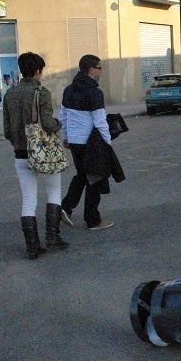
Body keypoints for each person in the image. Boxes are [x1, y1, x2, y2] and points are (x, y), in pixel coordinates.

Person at [3, 51, 68, 259]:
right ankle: (53, 238)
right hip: (45, 152)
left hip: (21, 154)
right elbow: (48, 124)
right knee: (54, 192)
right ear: (38, 70)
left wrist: (19, 143)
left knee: (28, 200)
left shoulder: (10, 94)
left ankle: (32, 246)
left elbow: (7, 131)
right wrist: (59, 124)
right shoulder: (42, 92)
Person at [59, 55, 114, 230]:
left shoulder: (68, 90)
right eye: (99, 68)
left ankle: (66, 207)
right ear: (91, 69)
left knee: (82, 175)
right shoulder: (94, 92)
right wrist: (107, 142)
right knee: (95, 178)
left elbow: (63, 116)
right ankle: (93, 220)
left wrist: (66, 136)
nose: (101, 71)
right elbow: (100, 121)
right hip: (91, 142)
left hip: (75, 142)